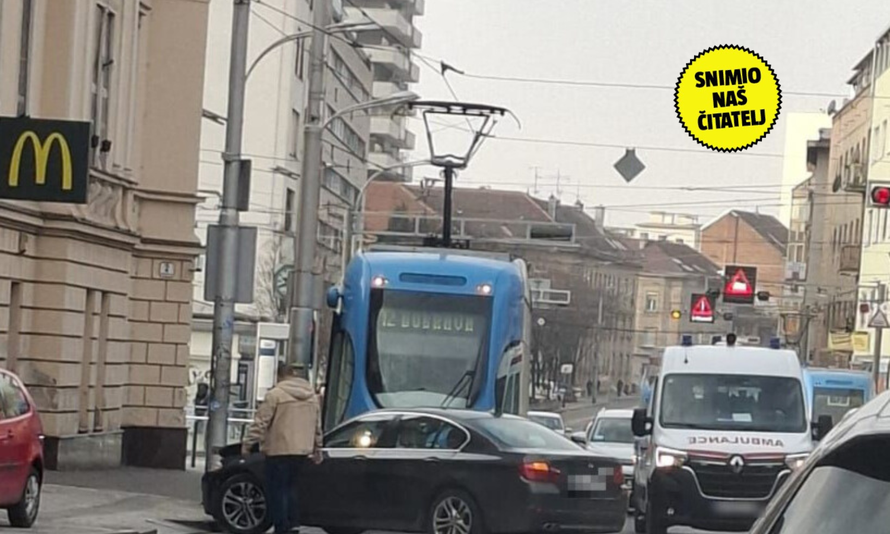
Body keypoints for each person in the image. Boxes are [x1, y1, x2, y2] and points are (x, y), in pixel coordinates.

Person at [242, 362, 323, 534]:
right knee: (291, 487)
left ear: (279, 376)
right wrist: (317, 448)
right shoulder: (312, 397)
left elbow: (261, 422)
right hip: (302, 451)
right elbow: (317, 425)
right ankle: (294, 524)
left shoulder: (275, 395)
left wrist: (248, 444)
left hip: (279, 449)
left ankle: (281, 527)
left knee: (277, 490)